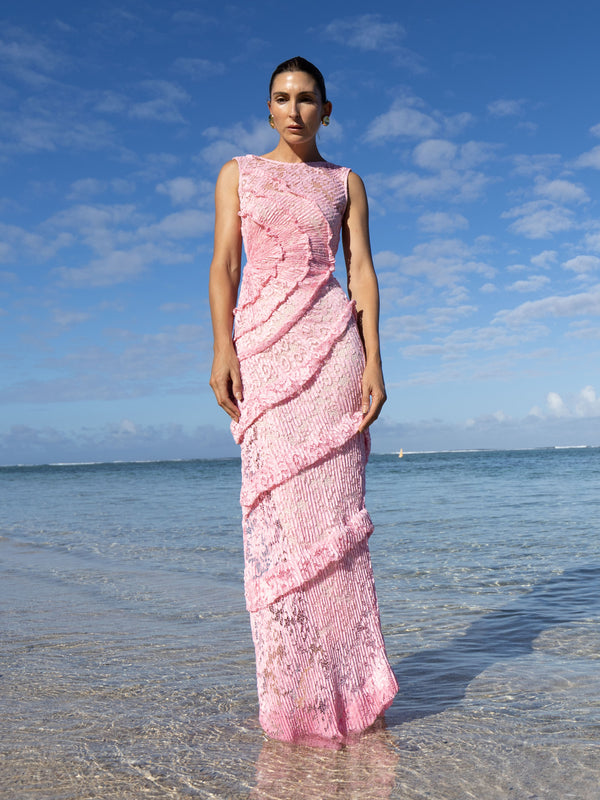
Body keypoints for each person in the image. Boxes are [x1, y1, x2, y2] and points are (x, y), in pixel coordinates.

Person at [209, 56, 398, 746]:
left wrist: (375, 357)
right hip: (263, 353)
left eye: (307, 99)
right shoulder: (238, 173)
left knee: (337, 534)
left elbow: (364, 272)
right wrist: (223, 348)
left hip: (332, 352)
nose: (294, 110)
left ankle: (356, 698)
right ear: (268, 110)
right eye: (282, 99)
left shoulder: (346, 183)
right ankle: (300, 703)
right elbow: (226, 264)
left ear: (326, 109)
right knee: (288, 534)